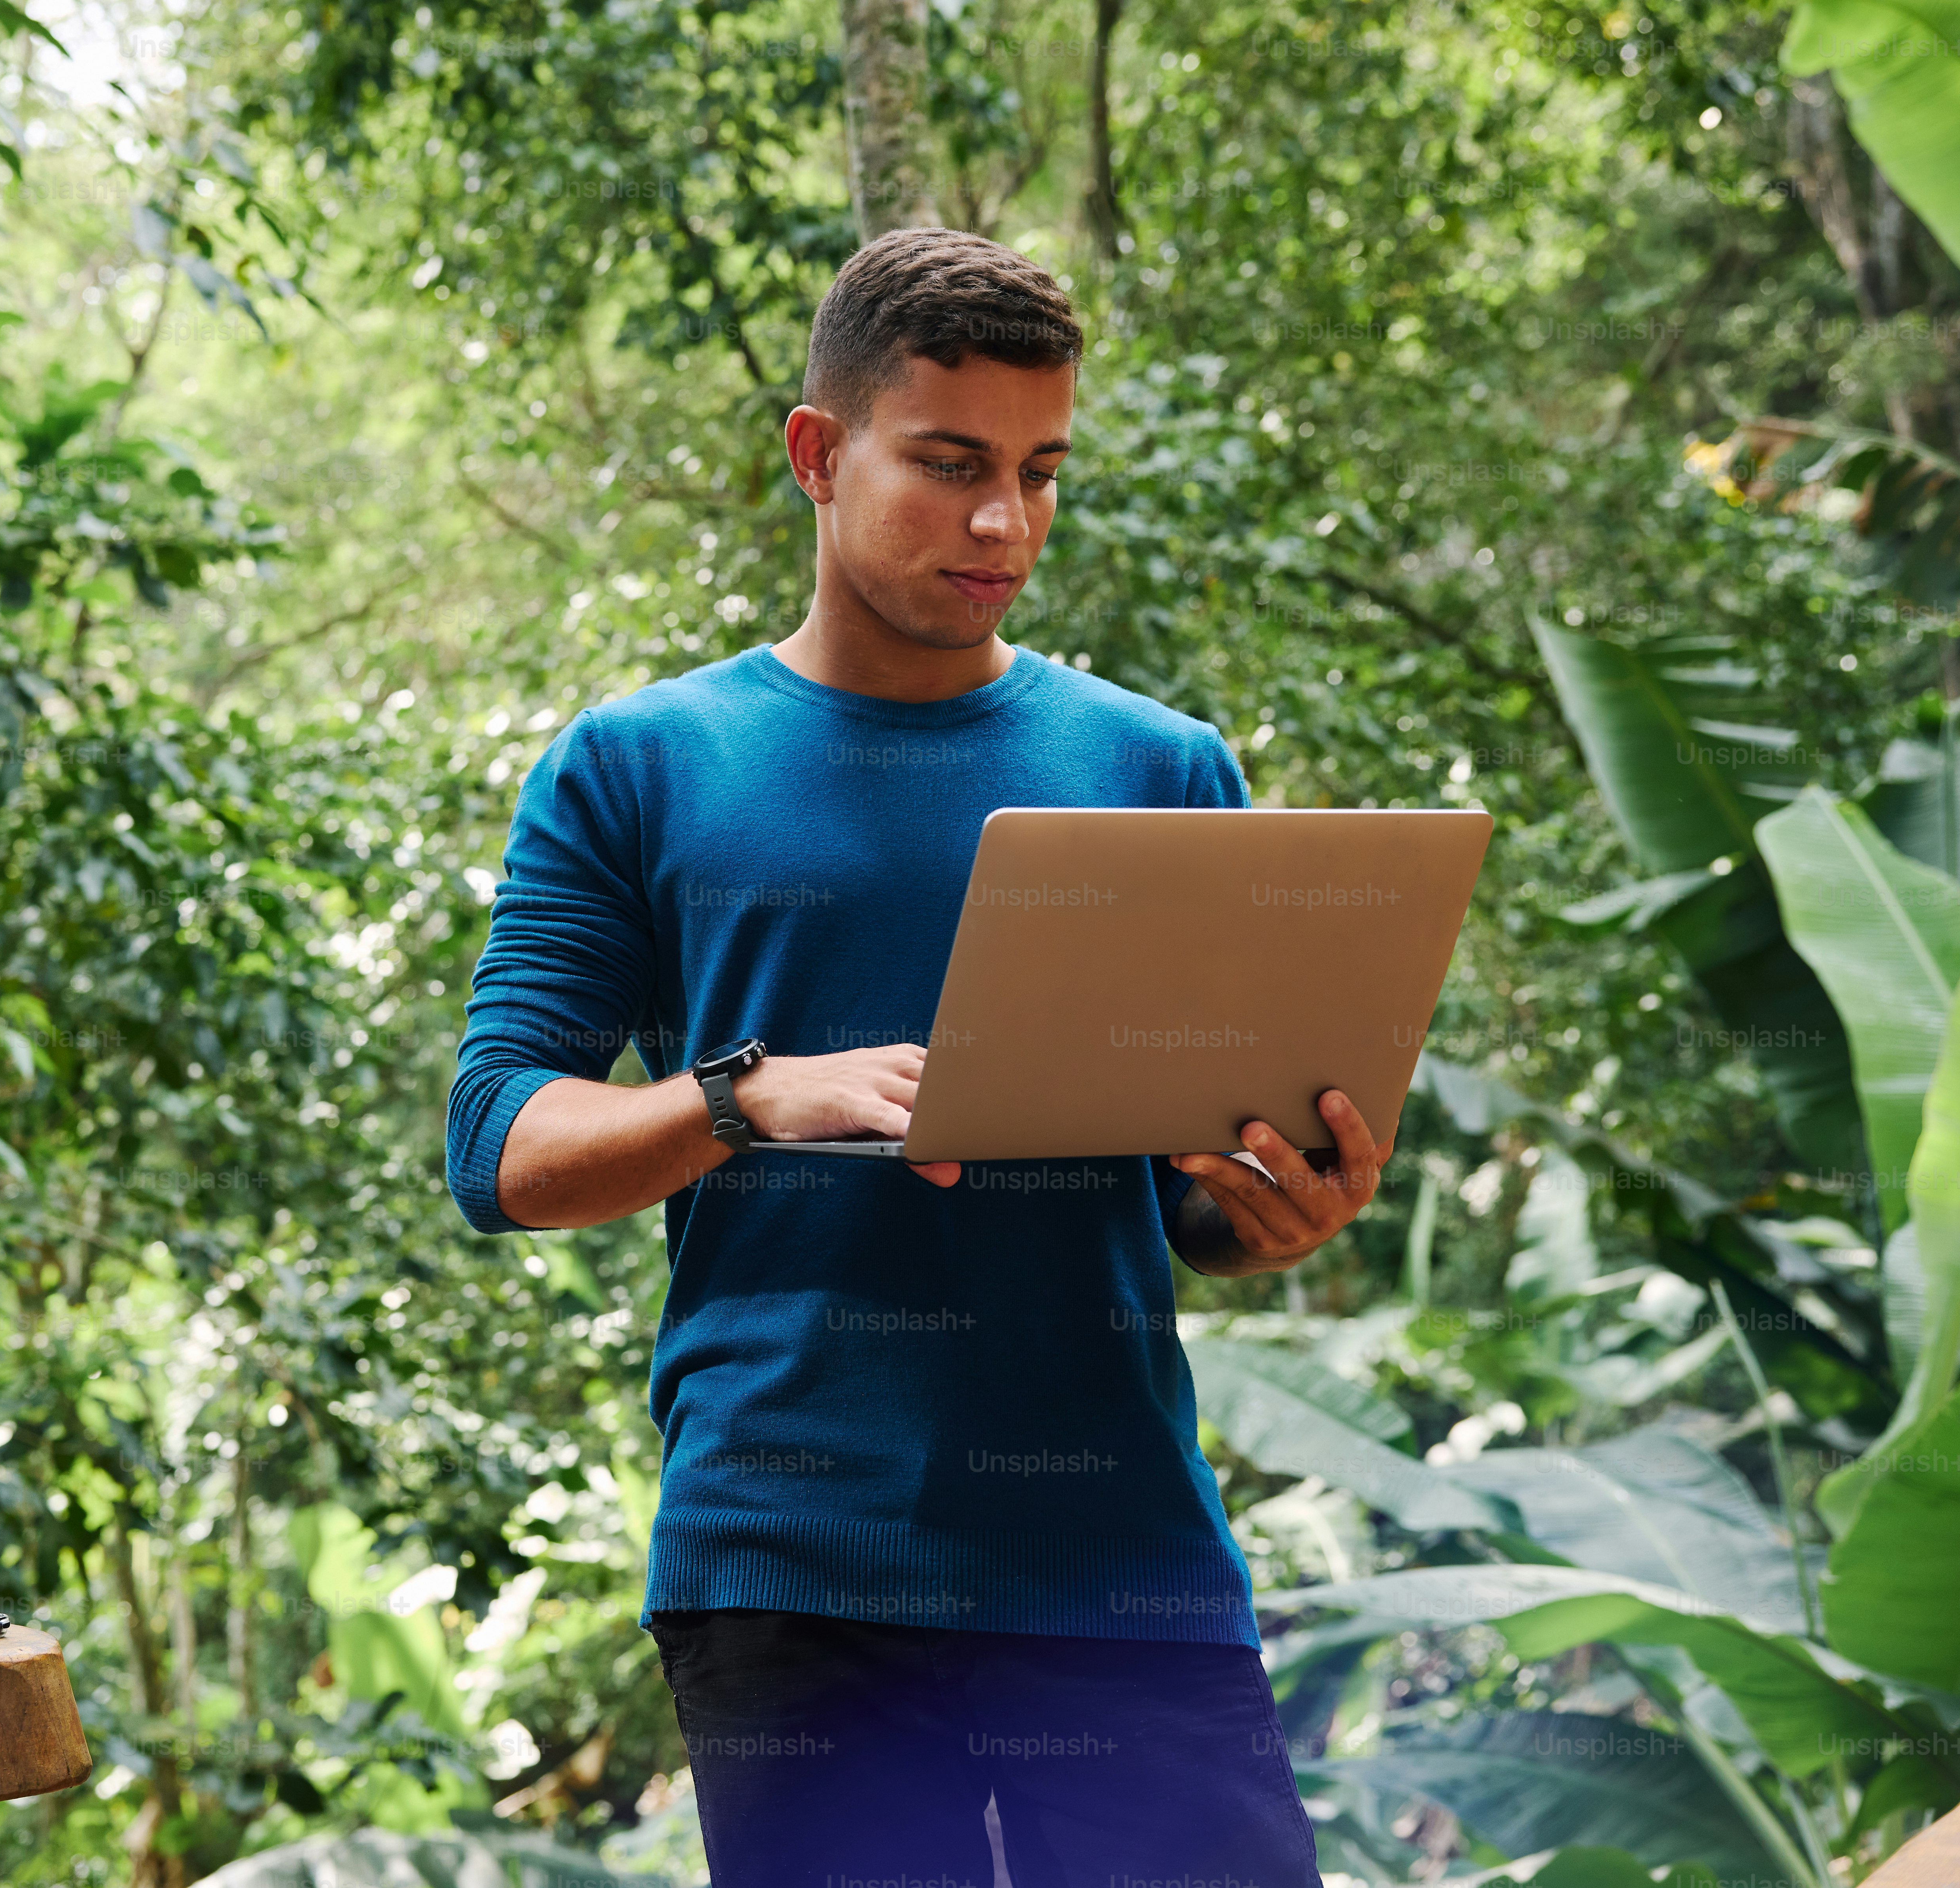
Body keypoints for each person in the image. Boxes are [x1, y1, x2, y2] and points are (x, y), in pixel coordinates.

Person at [446, 227, 1384, 1887]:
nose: (1004, 522)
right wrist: (748, 1097)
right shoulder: (637, 764)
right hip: (794, 1566)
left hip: (1125, 1560)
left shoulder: (1163, 769)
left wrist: (1273, 1213)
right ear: (819, 453)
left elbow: (1192, 1200)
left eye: (1039, 472)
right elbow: (498, 1147)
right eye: (950, 465)